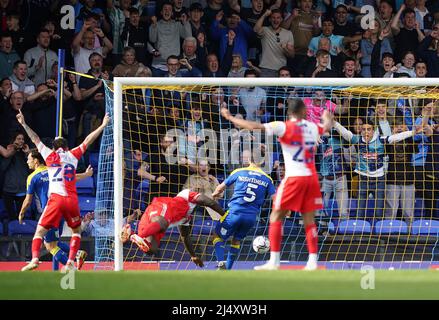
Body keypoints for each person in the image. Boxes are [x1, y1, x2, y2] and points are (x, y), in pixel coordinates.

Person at [220, 99, 333, 271]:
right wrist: (326, 116)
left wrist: (230, 117)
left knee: (275, 217)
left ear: (289, 113)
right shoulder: (311, 127)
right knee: (309, 221)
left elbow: (253, 126)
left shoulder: (283, 126)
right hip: (311, 179)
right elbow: (326, 126)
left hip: (293, 178)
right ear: (304, 112)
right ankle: (312, 262)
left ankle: (274, 261)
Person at [17, 110, 110, 271]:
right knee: (76, 232)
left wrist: (24, 123)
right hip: (72, 200)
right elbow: (88, 140)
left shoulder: (49, 156)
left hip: (55, 200)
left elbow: (35, 138)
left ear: (54, 147)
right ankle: (70, 262)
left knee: (39, 233)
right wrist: (102, 125)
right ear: (67, 147)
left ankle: (34, 259)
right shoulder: (73, 155)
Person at [18, 149, 91, 270]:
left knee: (49, 245)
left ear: (36, 161)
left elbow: (28, 200)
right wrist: (86, 175)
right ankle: (77, 254)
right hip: (62, 209)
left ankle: (71, 267)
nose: (27, 162)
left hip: (50, 210)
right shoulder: (53, 170)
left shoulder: (32, 177)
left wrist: (21, 213)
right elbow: (73, 177)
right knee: (53, 242)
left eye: (29, 159)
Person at [119, 189, 226, 267]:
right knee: (163, 223)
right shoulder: (185, 195)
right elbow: (209, 202)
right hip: (160, 207)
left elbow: (185, 236)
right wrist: (225, 215)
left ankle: (132, 234)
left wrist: (193, 256)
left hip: (150, 223)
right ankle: (136, 235)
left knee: (152, 249)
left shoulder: (185, 219)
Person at [211, 156, 276, 270]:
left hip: (235, 213)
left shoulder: (239, 172)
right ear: (263, 163)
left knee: (217, 235)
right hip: (251, 218)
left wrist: (213, 196)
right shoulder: (267, 179)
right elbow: (275, 198)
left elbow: (220, 188)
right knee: (236, 240)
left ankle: (221, 262)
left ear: (249, 160)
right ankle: (228, 270)